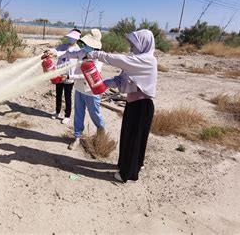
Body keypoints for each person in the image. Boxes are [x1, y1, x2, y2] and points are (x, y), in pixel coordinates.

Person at [89, 29, 157, 183]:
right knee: (130, 137)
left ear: (143, 43)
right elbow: (122, 79)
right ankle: (131, 165)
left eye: (133, 43)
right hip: (134, 105)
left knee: (134, 139)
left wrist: (97, 54)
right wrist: (105, 84)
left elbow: (119, 60)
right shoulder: (137, 60)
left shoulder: (148, 60)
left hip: (142, 106)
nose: (130, 46)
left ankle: (128, 174)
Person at [45, 29, 106, 150]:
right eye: (86, 44)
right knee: (78, 114)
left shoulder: (98, 58)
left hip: (91, 91)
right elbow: (67, 54)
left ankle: (101, 134)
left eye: (88, 44)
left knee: (95, 114)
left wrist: (69, 76)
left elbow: (89, 75)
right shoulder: (82, 52)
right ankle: (77, 138)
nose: (86, 46)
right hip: (79, 89)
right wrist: (52, 52)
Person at [50, 28, 81, 124]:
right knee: (58, 94)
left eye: (72, 38)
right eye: (69, 37)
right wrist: (50, 51)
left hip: (69, 77)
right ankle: (57, 111)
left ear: (76, 39)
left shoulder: (78, 50)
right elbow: (56, 50)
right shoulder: (63, 46)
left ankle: (67, 115)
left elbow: (78, 64)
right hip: (59, 74)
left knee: (68, 96)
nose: (70, 39)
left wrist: (71, 76)